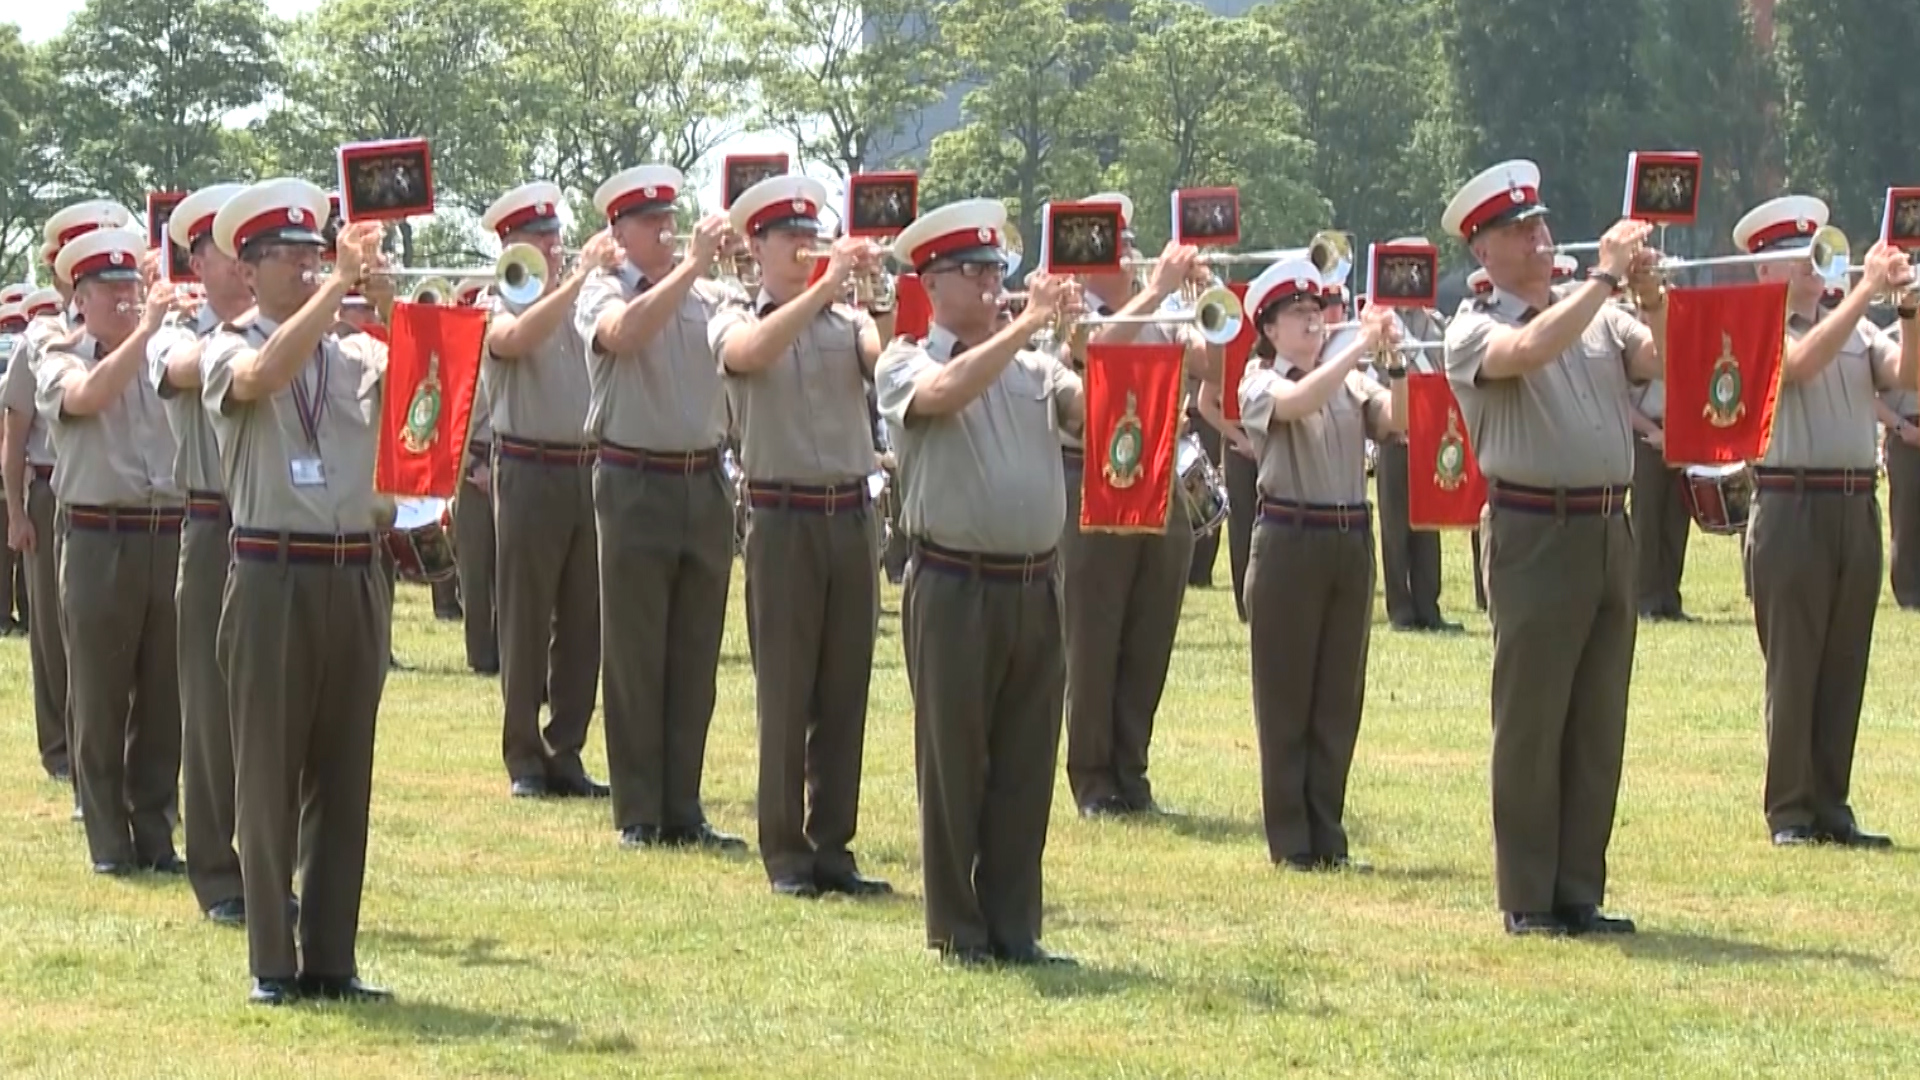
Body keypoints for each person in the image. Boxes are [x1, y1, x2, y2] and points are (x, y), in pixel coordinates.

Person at [1442, 160, 1666, 937]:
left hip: (1609, 525)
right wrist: (1604, 281)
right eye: (1519, 232)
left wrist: (1651, 295)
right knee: (1533, 719)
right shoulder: (1473, 327)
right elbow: (1530, 350)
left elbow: (1659, 360)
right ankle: (1528, 895)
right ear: (1484, 253)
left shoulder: (1596, 311)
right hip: (1535, 529)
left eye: (1540, 225)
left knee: (1598, 716)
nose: (1541, 239)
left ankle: (1580, 890)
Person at [876, 198, 1084, 966]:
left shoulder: (1036, 365)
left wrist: (1121, 329)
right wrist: (1028, 324)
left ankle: (1013, 925)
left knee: (1026, 762)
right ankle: (958, 928)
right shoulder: (904, 359)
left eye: (999, 271)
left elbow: (1094, 414)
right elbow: (944, 396)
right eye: (979, 272)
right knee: (954, 761)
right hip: (954, 583)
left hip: (1035, 584)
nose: (996, 285)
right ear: (937, 282)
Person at [201, 179, 393, 1005]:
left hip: (355, 572)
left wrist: (390, 312)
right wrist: (340, 296)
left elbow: (435, 399)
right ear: (249, 271)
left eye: (317, 255)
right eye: (292, 257)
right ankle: (272, 963)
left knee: (344, 775)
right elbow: (266, 374)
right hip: (273, 572)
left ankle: (330, 959)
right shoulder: (225, 343)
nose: (310, 268)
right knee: (270, 774)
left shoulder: (355, 353)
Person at [710, 174, 895, 897]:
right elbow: (748, 357)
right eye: (787, 235)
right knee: (785, 691)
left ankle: (833, 846)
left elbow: (883, 359)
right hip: (781, 517)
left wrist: (873, 291)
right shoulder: (732, 314)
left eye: (809, 233)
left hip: (850, 514)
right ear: (755, 246)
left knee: (845, 687)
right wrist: (825, 290)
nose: (803, 245)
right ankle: (786, 850)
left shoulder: (845, 321)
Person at [1734, 195, 1917, 848]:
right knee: (1795, 661)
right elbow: (1802, 364)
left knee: (1844, 661)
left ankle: (1830, 804)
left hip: (1853, 504)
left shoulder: (1852, 325)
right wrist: (1864, 290)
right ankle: (1789, 809)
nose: (1815, 265)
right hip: (1792, 504)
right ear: (1763, 270)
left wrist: (1909, 307)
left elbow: (1907, 372)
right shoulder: (1762, 324)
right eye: (1797, 255)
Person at [575, 165, 743, 850]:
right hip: (634, 476)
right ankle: (639, 809)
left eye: (671, 218)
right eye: (650, 222)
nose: (667, 231)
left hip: (702, 478)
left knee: (695, 651)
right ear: (618, 232)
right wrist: (691, 269)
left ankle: (683, 805)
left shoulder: (713, 292)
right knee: (637, 650)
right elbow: (624, 334)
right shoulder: (600, 289)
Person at [1238, 256, 1406, 869]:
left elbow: (1400, 421)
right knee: (1286, 697)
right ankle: (1291, 839)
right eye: (1299, 316)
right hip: (1289, 537)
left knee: (1338, 695)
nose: (1313, 325)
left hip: (1349, 536)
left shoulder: (1353, 379)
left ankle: (1327, 831)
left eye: (1318, 314)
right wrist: (1355, 346)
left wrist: (1397, 362)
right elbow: (1302, 401)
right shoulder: (1258, 381)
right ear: (1270, 329)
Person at [36, 226, 186, 875]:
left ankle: (155, 833)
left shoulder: (163, 350)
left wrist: (160, 326)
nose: (129, 301)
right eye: (114, 291)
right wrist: (146, 332)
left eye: (135, 288)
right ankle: (107, 839)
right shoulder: (56, 349)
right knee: (99, 695)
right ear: (82, 297)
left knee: (163, 696)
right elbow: (88, 397)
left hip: (166, 533)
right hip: (100, 535)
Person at [1060, 197, 1212, 817]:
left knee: (1151, 629)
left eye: (1126, 240)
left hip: (1161, 475)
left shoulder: (1163, 312)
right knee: (1096, 632)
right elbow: (1094, 352)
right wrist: (1156, 292)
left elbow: (1211, 364)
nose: (1126, 250)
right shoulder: (1076, 314)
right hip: (1096, 475)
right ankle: (1093, 777)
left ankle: (1132, 767)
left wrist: (1207, 297)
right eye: (1113, 243)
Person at [479, 180, 614, 799]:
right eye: (537, 241)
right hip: (528, 467)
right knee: (527, 614)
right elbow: (516, 340)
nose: (551, 250)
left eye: (555, 239)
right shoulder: (499, 300)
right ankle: (522, 754)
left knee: (585, 616)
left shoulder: (581, 298)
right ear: (510, 246)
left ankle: (567, 749)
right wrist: (575, 282)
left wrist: (583, 283)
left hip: (586, 465)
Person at [148, 182, 253, 922]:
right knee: (211, 712)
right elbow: (182, 367)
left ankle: (276, 865)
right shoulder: (178, 330)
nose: (247, 263)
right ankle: (218, 874)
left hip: (283, 529)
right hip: (216, 528)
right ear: (195, 258)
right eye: (229, 247)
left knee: (276, 710)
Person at [4, 200, 133, 788]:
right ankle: (60, 749)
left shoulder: (128, 329)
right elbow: (18, 428)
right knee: (56, 633)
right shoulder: (45, 334)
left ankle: (109, 752)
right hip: (55, 489)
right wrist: (16, 509)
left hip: (121, 495)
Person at [1629, 377, 1692, 620]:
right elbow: (1621, 400)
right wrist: (1652, 431)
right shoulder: (1637, 343)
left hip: (1680, 432)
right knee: (1647, 520)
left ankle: (1669, 600)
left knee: (1676, 519)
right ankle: (1645, 600)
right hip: (1646, 435)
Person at [1874, 322, 1920, 610]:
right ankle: (1910, 594)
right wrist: (1901, 427)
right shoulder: (1888, 340)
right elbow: (1867, 398)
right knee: (1907, 515)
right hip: (1907, 433)